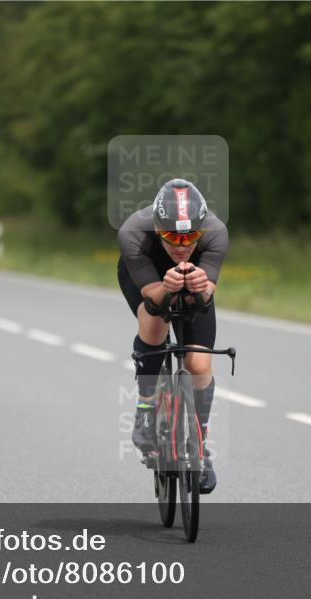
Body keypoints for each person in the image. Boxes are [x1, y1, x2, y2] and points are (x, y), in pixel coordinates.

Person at [117, 178, 228, 494]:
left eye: (190, 237)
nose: (181, 247)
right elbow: (153, 299)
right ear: (156, 227)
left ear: (202, 229)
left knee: (199, 366)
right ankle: (145, 409)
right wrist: (166, 287)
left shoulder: (216, 232)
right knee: (154, 321)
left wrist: (199, 288)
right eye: (170, 237)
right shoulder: (133, 232)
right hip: (147, 275)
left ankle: (201, 447)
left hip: (195, 284)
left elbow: (205, 298)